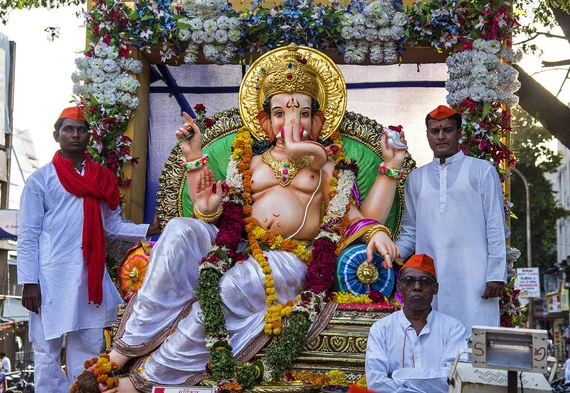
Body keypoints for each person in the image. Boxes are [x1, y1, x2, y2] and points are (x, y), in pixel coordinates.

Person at [81, 44, 406, 392]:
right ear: (266, 121)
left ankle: (147, 377)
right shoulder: (249, 162)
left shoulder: (327, 166)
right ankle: (121, 351)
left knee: (228, 286)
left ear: (317, 120)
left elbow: (354, 216)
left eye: (302, 113)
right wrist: (200, 185)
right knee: (178, 231)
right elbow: (218, 216)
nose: (292, 122)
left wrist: (382, 198)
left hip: (292, 259)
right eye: (281, 113)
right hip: (241, 245)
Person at [17, 106, 160, 392]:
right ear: (56, 135)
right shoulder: (40, 180)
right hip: (50, 279)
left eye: (81, 130)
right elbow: (28, 234)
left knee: (90, 351)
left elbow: (111, 226)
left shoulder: (102, 178)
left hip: (88, 278)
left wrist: (148, 229)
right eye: (69, 129)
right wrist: (29, 282)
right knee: (46, 353)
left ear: (89, 137)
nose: (75, 135)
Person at [395, 105, 507, 336]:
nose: (441, 136)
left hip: (474, 278)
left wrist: (495, 274)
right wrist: (389, 254)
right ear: (427, 135)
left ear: (459, 133)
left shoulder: (482, 171)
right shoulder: (416, 179)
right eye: (434, 131)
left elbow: (495, 226)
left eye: (447, 130)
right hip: (430, 281)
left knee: (476, 340)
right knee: (434, 340)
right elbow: (410, 231)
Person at [365, 254, 467, 392]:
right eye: (409, 280)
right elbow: (376, 383)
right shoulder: (381, 329)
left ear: (435, 288)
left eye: (424, 281)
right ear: (399, 287)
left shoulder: (453, 329)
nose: (417, 287)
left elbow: (453, 380)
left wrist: (396, 376)